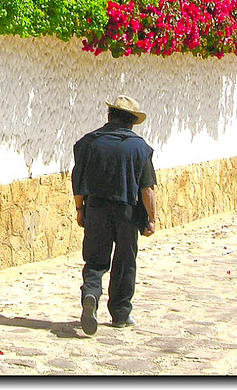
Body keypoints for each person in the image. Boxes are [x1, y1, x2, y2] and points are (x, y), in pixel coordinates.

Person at [71, 95, 158, 335]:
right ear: (132, 122)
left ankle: (91, 292)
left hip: (96, 208)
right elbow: (147, 188)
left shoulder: (88, 143)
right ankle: (120, 313)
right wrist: (151, 218)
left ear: (110, 117)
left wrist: (80, 209)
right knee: (124, 262)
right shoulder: (140, 148)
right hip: (128, 212)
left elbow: (77, 181)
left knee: (95, 260)